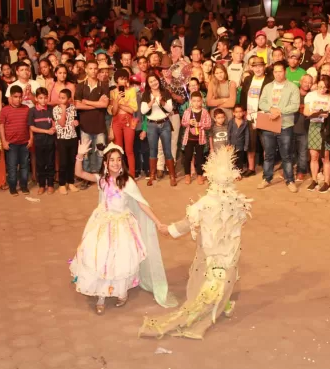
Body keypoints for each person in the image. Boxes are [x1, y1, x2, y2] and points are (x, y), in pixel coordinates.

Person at [139, 146, 251, 339]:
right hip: (229, 254)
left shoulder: (206, 202)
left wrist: (168, 230)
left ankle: (215, 305)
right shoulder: (238, 201)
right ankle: (223, 303)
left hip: (208, 252)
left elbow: (186, 223)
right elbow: (241, 222)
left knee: (204, 282)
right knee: (223, 279)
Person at [70, 140, 176, 315]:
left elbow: (142, 204)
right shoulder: (101, 180)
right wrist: (80, 155)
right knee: (101, 257)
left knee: (120, 258)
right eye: (112, 160)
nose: (115, 163)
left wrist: (158, 222)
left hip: (122, 225)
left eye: (119, 159)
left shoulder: (127, 182)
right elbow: (78, 172)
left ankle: (120, 291)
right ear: (105, 163)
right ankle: (101, 295)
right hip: (102, 224)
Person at [258, 61, 300, 193]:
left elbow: (295, 106)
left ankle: (290, 180)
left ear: (285, 71)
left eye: (280, 71)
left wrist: (278, 111)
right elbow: (261, 102)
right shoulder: (268, 87)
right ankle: (267, 178)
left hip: (285, 125)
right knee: (269, 154)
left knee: (286, 155)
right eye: (275, 71)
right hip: (269, 124)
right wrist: (271, 109)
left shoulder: (292, 87)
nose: (277, 74)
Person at [304, 75, 330, 193]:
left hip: (326, 128)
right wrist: (315, 113)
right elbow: (306, 111)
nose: (321, 89)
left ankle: (326, 182)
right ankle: (314, 180)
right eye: (319, 86)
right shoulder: (311, 95)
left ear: (328, 87)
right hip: (314, 126)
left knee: (326, 157)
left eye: (324, 87)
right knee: (314, 155)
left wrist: (324, 114)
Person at [74, 60, 110, 175]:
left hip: (100, 124)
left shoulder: (104, 85)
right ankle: (86, 176)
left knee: (100, 152)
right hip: (85, 125)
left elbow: (104, 105)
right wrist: (96, 105)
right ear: (86, 70)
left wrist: (86, 102)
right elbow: (77, 105)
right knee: (85, 153)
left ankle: (99, 175)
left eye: (95, 68)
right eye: (90, 68)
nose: (93, 71)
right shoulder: (80, 86)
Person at [240, 56, 272, 178]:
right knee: (251, 143)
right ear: (252, 68)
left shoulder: (269, 80)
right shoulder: (248, 79)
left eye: (260, 66)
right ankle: (251, 168)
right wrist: (243, 111)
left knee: (266, 144)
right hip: (250, 116)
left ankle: (267, 170)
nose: (258, 69)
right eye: (255, 66)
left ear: (264, 67)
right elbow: (243, 95)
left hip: (264, 114)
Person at [141, 74, 175, 186]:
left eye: (155, 80)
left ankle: (172, 176)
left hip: (164, 123)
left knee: (167, 151)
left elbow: (170, 109)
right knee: (153, 150)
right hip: (151, 125)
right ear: (148, 84)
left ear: (158, 81)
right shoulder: (146, 94)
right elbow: (143, 111)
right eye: (151, 81)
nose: (154, 83)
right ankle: (152, 176)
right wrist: (151, 103)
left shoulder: (165, 92)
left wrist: (162, 102)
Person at [0, 85, 32, 196]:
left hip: (24, 143)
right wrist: (4, 141)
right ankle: (12, 187)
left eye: (20, 97)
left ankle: (24, 186)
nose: (18, 99)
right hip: (11, 144)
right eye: (15, 96)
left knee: (24, 166)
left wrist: (31, 139)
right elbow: (1, 126)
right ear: (10, 98)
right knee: (12, 167)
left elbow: (30, 125)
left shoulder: (26, 109)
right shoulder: (5, 110)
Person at [110, 69, 138, 177]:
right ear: (116, 80)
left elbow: (132, 110)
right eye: (121, 79)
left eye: (125, 79)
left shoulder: (131, 91)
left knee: (129, 150)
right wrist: (116, 100)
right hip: (116, 121)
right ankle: (119, 173)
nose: (124, 81)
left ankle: (132, 174)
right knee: (118, 149)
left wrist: (119, 103)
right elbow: (113, 112)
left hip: (128, 121)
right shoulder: (112, 92)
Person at [29, 88, 56, 195]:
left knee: (50, 162)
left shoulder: (50, 109)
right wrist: (46, 131)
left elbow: (54, 123)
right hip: (39, 141)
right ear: (36, 98)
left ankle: (50, 184)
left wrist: (53, 129)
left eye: (45, 98)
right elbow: (32, 127)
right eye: (40, 98)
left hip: (50, 141)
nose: (43, 100)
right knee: (40, 163)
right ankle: (41, 185)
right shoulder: (32, 111)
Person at [181, 91, 211, 185]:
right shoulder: (187, 111)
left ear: (202, 101)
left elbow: (209, 125)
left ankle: (199, 175)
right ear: (191, 101)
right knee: (187, 158)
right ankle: (187, 175)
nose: (196, 103)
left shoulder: (205, 112)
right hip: (189, 139)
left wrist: (199, 124)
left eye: (198, 101)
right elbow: (183, 123)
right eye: (194, 101)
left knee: (200, 158)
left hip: (200, 139)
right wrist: (189, 122)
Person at [53, 89, 79, 195]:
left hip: (73, 137)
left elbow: (76, 120)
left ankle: (71, 182)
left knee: (71, 161)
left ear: (68, 99)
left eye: (63, 98)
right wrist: (63, 110)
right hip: (62, 138)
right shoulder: (55, 109)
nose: (60, 99)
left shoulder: (73, 108)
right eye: (60, 97)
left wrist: (77, 122)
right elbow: (62, 123)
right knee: (63, 162)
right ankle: (62, 184)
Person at [227, 105, 249, 175]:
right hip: (232, 145)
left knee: (240, 160)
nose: (238, 114)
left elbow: (246, 134)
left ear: (243, 113)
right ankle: (232, 174)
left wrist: (246, 146)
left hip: (241, 145)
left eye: (240, 112)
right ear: (233, 113)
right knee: (232, 160)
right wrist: (228, 143)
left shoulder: (245, 123)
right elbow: (228, 133)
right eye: (236, 112)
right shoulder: (231, 122)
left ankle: (238, 174)